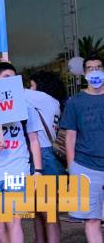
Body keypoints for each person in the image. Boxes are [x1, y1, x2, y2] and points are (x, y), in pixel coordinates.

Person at [0, 62, 43, 243]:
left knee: (13, 219)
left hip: (17, 170)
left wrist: (38, 171)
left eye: (13, 79)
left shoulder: (25, 107)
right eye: (6, 77)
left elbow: (34, 140)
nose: (10, 81)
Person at [61, 55, 104, 243]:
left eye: (98, 67)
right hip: (85, 167)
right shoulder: (75, 102)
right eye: (90, 68)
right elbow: (70, 136)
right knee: (92, 219)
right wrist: (72, 167)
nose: (95, 72)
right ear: (84, 73)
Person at [27, 71, 67, 243]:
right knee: (39, 209)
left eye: (32, 85)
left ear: (40, 86)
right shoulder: (54, 102)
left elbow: (11, 91)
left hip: (43, 156)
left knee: (46, 210)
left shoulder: (41, 98)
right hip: (49, 156)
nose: (30, 89)